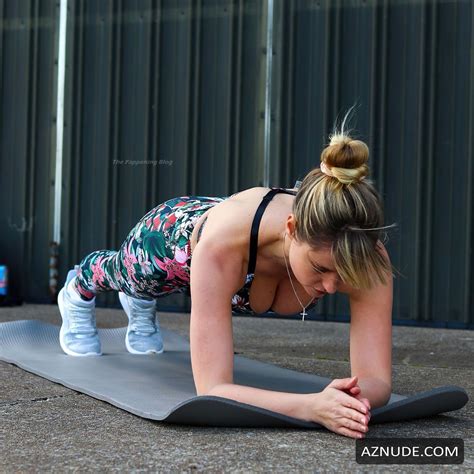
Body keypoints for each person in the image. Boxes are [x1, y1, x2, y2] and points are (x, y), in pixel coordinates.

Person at [57, 126, 394, 439]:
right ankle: (80, 286)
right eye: (321, 269)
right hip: (173, 239)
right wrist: (311, 406)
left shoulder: (362, 251)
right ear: (291, 230)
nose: (333, 286)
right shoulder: (222, 247)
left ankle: (141, 302)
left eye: (343, 273)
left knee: (167, 289)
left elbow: (377, 380)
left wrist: (348, 400)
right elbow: (213, 390)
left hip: (236, 250)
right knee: (128, 277)